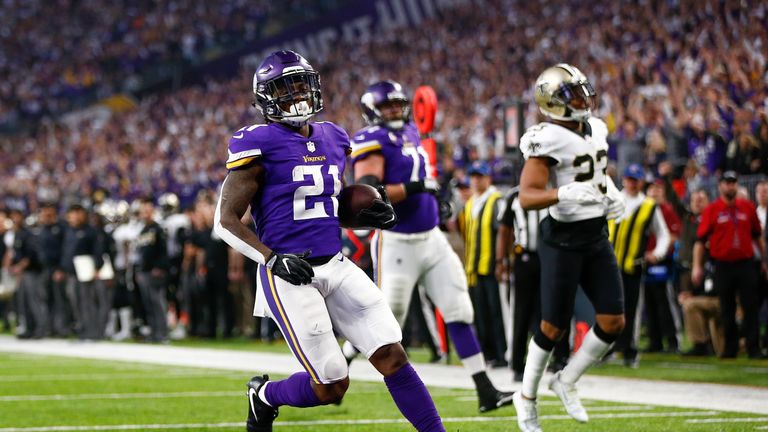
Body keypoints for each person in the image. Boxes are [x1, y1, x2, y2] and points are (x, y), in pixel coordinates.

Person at [213, 50, 445, 432]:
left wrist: (369, 211)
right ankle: (264, 396)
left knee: (392, 355)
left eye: (302, 85)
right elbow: (225, 221)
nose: (297, 95)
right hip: (289, 272)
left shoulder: (334, 136)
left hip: (336, 264)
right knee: (333, 385)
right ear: (266, 98)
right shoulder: (257, 143)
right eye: (286, 89)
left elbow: (327, 205)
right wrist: (271, 259)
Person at [346, 79, 514, 413]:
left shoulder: (410, 133)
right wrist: (418, 186)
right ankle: (343, 360)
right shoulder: (370, 139)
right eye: (387, 106)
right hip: (397, 242)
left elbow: (424, 179)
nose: (395, 110)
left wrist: (436, 197)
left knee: (459, 310)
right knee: (386, 320)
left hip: (431, 237)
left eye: (398, 103)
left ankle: (485, 389)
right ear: (371, 111)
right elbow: (368, 191)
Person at [512, 64, 626, 432]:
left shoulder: (596, 128)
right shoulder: (545, 138)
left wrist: (611, 193)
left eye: (582, 91)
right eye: (572, 95)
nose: (582, 99)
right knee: (552, 326)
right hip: (562, 238)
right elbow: (528, 196)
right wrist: (560, 192)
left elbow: (596, 172)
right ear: (552, 102)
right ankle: (526, 397)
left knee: (613, 321)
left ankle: (566, 379)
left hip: (596, 234)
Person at [496, 186, 570, 382]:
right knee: (521, 313)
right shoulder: (513, 195)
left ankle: (560, 359)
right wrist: (500, 261)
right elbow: (504, 230)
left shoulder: (555, 192)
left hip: (551, 258)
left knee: (554, 308)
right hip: (524, 258)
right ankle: (518, 364)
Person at [693, 171, 765, 359]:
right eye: (726, 183)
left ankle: (753, 348)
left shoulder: (748, 208)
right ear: (720, 186)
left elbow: (758, 238)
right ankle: (729, 348)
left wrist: (765, 261)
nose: (730, 186)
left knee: (751, 307)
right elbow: (700, 241)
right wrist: (697, 266)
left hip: (746, 264)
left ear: (737, 185)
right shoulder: (712, 210)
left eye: (733, 183)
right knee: (726, 307)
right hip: (722, 265)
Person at [608, 164, 672, 366]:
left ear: (641, 182)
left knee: (632, 309)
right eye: (628, 179)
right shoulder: (612, 199)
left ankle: (629, 349)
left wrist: (657, 254)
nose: (631, 183)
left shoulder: (648, 205)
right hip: (608, 265)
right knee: (606, 308)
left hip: (633, 266)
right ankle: (607, 347)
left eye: (635, 180)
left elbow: (663, 234)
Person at [460, 161, 506, 367]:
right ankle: (489, 354)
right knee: (481, 314)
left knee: (497, 313)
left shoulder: (496, 200)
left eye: (480, 177)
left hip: (491, 267)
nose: (476, 181)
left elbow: (503, 233)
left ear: (489, 178)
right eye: (474, 177)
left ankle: (503, 354)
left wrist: (501, 261)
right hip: (474, 267)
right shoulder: (471, 203)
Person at [136, 198, 170, 343]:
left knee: (158, 303)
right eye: (143, 211)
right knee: (148, 304)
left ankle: (163, 334)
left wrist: (160, 267)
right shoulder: (143, 230)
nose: (145, 214)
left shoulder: (158, 228)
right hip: (144, 271)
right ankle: (154, 332)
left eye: (147, 211)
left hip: (155, 271)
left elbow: (164, 251)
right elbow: (141, 253)